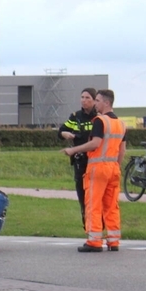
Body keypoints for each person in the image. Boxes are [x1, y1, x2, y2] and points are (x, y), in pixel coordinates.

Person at [61, 89, 125, 253]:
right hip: (114, 168)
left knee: (93, 204)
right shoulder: (120, 123)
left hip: (98, 167)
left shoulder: (100, 121)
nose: (95, 103)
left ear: (106, 103)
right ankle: (113, 240)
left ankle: (94, 241)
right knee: (111, 205)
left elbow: (95, 143)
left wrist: (74, 150)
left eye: (97, 100)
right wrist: (117, 165)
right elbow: (122, 149)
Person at [58, 88, 98, 227]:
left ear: (94, 100)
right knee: (82, 195)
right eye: (82, 97)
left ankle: (97, 226)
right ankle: (87, 225)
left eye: (87, 97)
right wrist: (65, 134)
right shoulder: (76, 116)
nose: (84, 100)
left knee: (96, 196)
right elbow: (62, 130)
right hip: (80, 161)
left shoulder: (99, 117)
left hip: (96, 160)